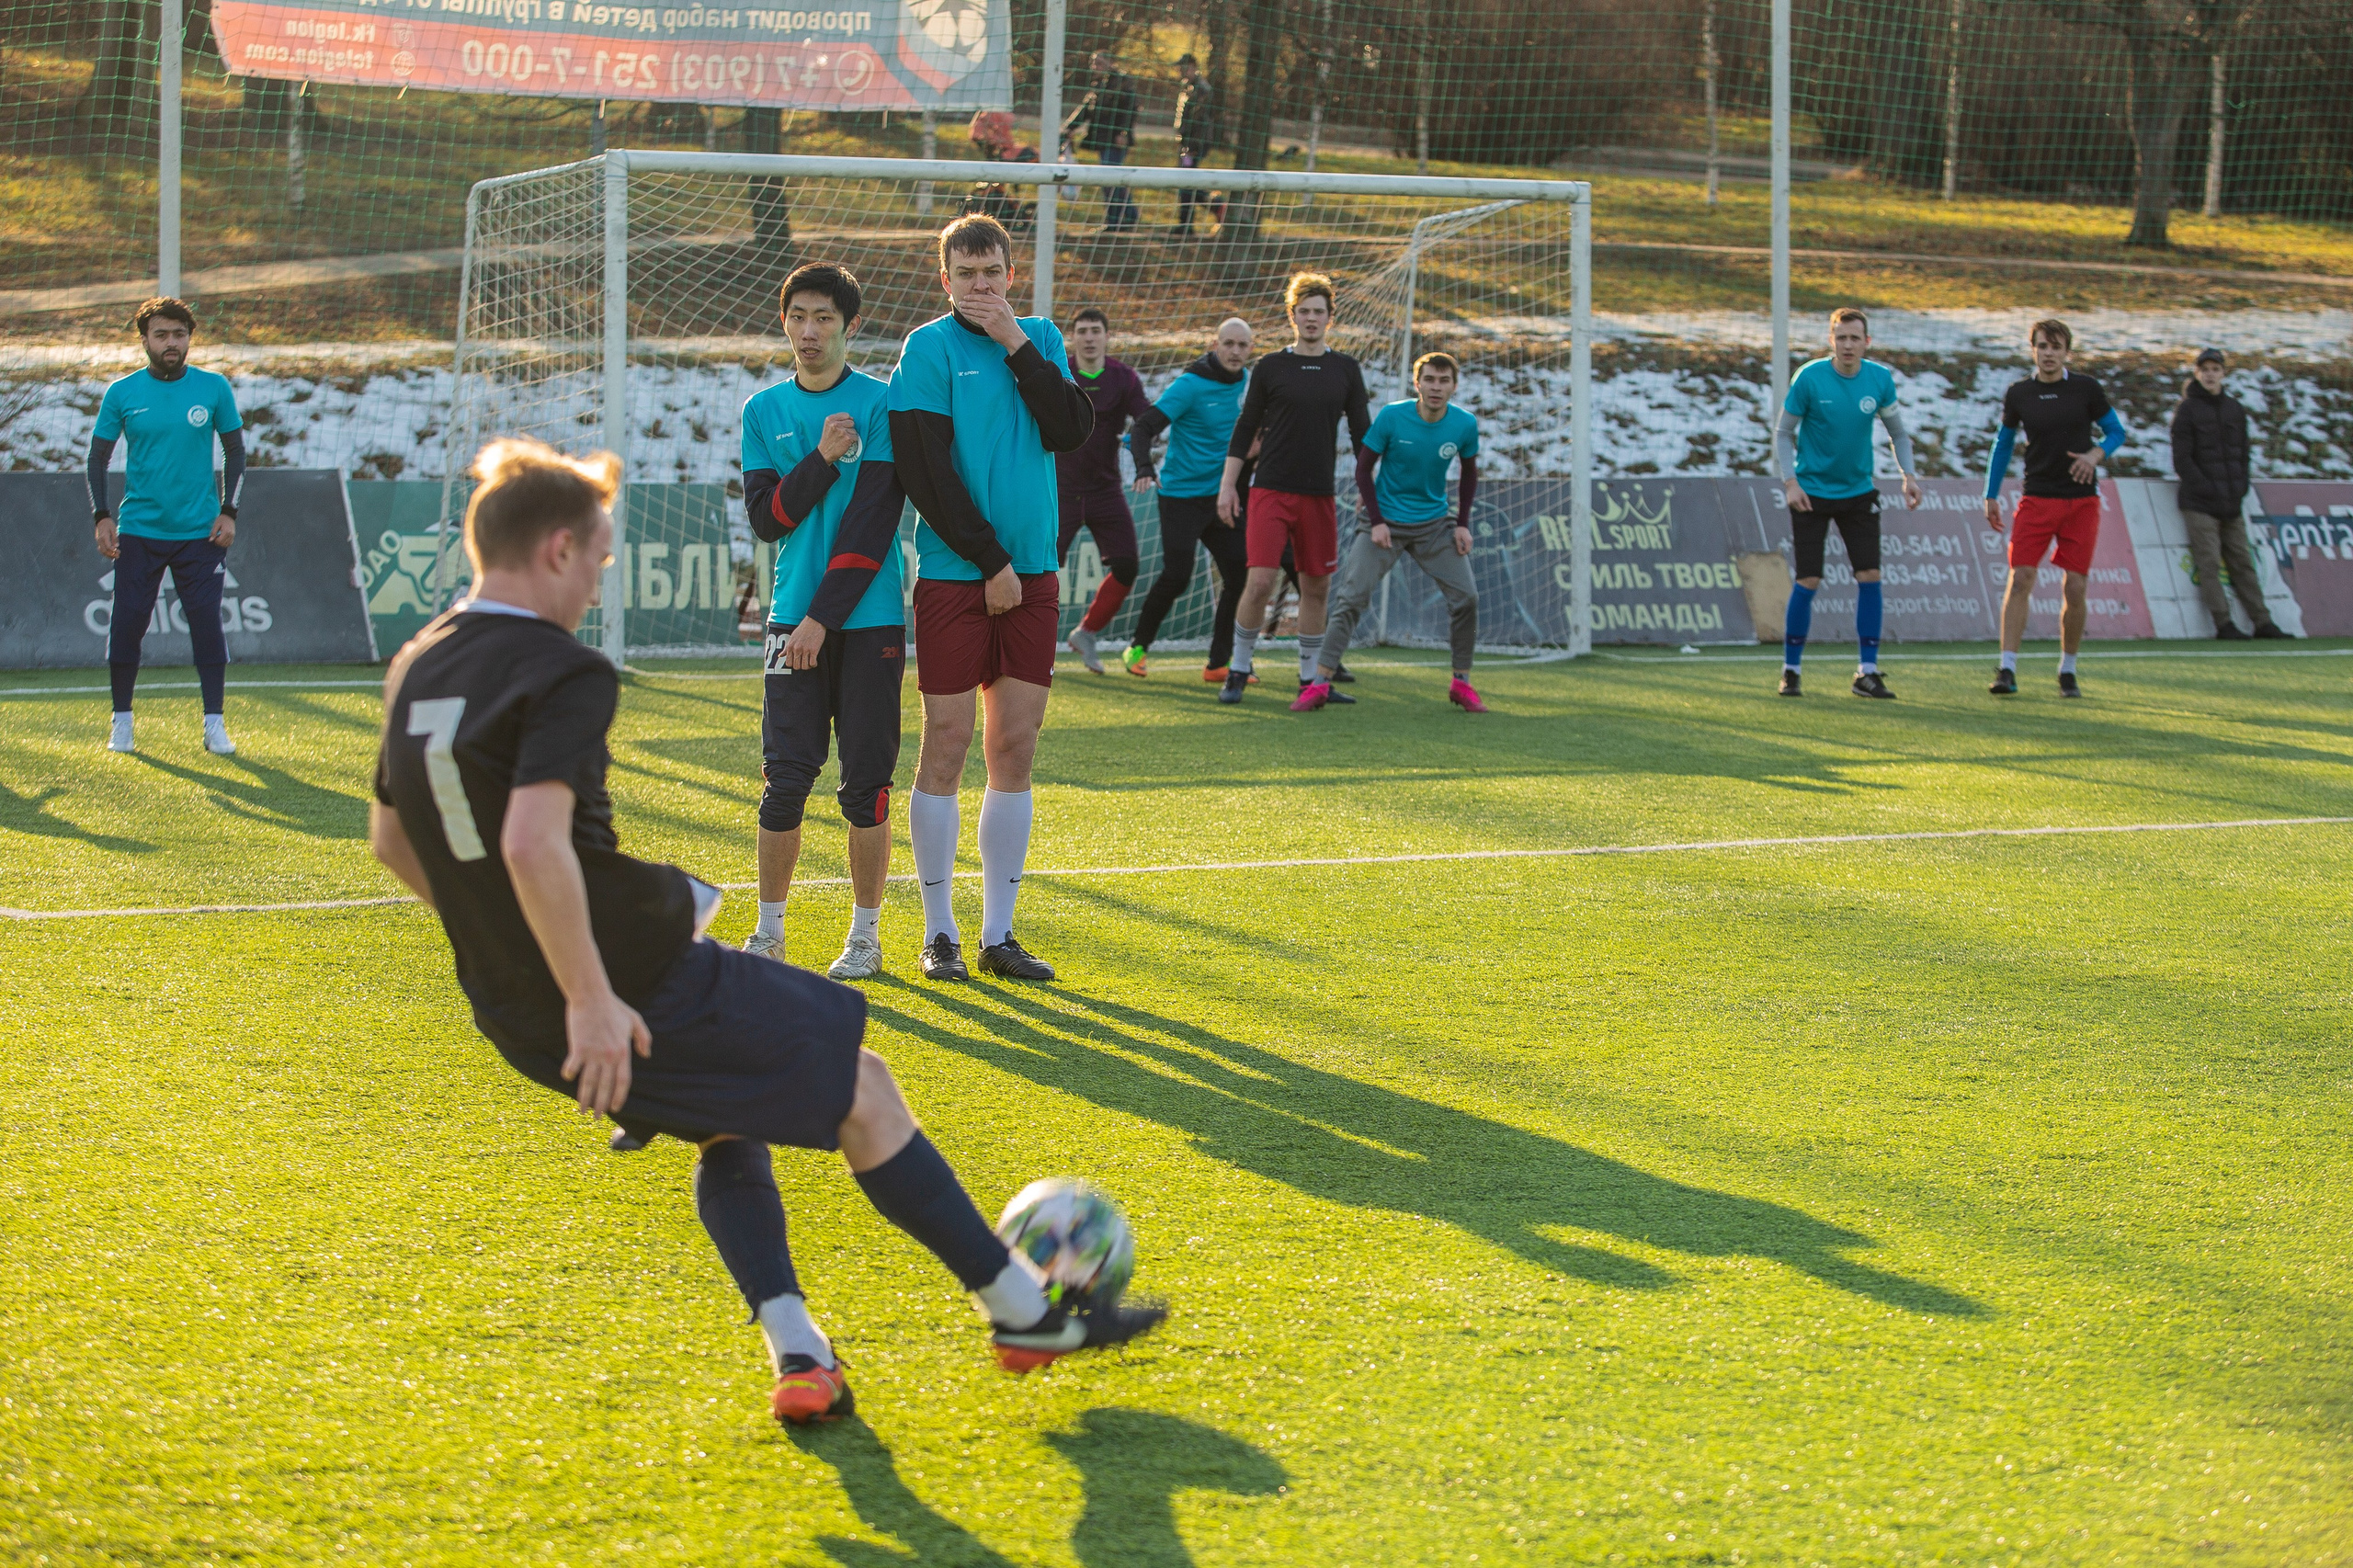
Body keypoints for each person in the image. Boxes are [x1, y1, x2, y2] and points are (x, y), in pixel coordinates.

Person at [368, 439, 1163, 1426]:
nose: (599, 581)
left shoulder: (420, 658)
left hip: (511, 1005)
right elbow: (533, 842)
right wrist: (592, 998)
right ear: (558, 548)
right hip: (623, 982)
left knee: (726, 1117)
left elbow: (394, 836)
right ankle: (1022, 1313)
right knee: (864, 1085)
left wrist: (522, 959)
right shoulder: (560, 667)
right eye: (602, 559)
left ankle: (800, 1352)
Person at [887, 214, 1094, 983]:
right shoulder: (927, 348)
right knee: (945, 742)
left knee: (1014, 747)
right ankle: (939, 933)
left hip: (1035, 577)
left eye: (992, 273)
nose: (980, 285)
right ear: (944, 280)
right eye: (965, 274)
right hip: (955, 576)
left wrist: (1015, 343)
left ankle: (998, 936)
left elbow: (1071, 429)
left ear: (1011, 274)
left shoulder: (1036, 336)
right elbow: (923, 469)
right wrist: (989, 560)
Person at [737, 263, 909, 981]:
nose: (810, 332)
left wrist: (821, 621)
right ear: (784, 322)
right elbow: (767, 520)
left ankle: (864, 939)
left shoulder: (881, 404)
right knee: (785, 778)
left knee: (866, 785)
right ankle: (768, 934)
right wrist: (821, 458)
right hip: (788, 624)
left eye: (825, 319)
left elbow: (872, 528)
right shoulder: (763, 412)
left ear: (849, 326)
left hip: (866, 625)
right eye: (798, 317)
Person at [86, 297, 246, 757]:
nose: (171, 343)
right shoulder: (122, 392)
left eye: (179, 334)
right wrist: (102, 516)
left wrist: (228, 510)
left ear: (189, 338)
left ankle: (214, 723)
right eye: (161, 335)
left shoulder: (213, 388)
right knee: (128, 624)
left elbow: (234, 452)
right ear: (145, 341)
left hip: (200, 534)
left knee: (207, 628)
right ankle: (122, 722)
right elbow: (98, 458)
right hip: (139, 531)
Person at [1216, 271, 1370, 706]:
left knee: (1317, 586)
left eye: (1319, 312)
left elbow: (1363, 435)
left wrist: (1368, 485)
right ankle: (1239, 669)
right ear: (1292, 315)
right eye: (1303, 311)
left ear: (1330, 317)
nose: (1311, 318)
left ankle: (1311, 680)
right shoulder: (1270, 367)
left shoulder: (1345, 369)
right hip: (1270, 490)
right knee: (1260, 581)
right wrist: (1228, 486)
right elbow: (1246, 427)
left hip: (1319, 494)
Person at [1304, 351, 1487, 712]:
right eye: (1429, 380)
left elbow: (1469, 475)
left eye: (1444, 381)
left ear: (1454, 385)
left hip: (1434, 525)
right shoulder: (1392, 416)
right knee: (1351, 597)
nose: (1436, 387)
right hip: (1383, 523)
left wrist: (1462, 523)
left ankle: (1461, 683)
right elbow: (1362, 471)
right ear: (1416, 383)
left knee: (1467, 598)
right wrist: (1376, 521)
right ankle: (1319, 683)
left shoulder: (1464, 425)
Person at [1771, 308, 1923, 700]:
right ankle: (1791, 670)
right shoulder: (1809, 377)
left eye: (1855, 338)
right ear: (1831, 341)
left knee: (1870, 576)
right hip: (1811, 494)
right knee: (1809, 579)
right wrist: (1791, 483)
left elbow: (1898, 434)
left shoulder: (1879, 379)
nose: (1848, 345)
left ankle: (1867, 673)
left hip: (1858, 493)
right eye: (1841, 338)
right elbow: (1784, 433)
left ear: (1867, 342)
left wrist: (1908, 474)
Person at [1983, 319, 2127, 698]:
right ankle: (2007, 668)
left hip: (2081, 502)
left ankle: (2068, 669)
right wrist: (1991, 493)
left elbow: (2117, 432)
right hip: (2037, 498)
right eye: (2042, 346)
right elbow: (2003, 444)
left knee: (2076, 586)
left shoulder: (2085, 389)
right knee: (2021, 578)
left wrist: (2095, 455)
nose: (2049, 353)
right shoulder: (2019, 393)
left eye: (2056, 347)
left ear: (2067, 352)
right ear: (2033, 348)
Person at [1125, 316, 1254, 682]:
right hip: (1180, 497)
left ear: (1250, 349)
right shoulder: (1190, 386)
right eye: (1228, 343)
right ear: (1215, 346)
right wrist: (1144, 467)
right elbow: (1143, 427)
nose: (1235, 351)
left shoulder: (1249, 385)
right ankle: (1137, 648)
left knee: (1239, 575)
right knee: (1178, 575)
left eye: (1242, 345)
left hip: (1221, 499)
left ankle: (1218, 663)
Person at [1057, 307, 1154, 674]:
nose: (1089, 337)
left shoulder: (1123, 378)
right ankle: (1027, 646)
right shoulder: (1059, 373)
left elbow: (1147, 421)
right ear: (1074, 337)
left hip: (1104, 490)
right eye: (1082, 331)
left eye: (1096, 330)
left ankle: (1087, 632)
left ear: (1106, 336)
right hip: (1060, 489)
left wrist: (1143, 458)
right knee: (1041, 569)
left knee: (1128, 565)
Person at [2170, 347, 2287, 641]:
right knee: (2209, 564)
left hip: (2232, 501)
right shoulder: (2186, 410)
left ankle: (2262, 622)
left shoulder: (2235, 408)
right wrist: (2208, 489)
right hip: (2200, 503)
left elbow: (2243, 454)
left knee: (2244, 563)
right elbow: (2182, 460)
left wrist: (2240, 488)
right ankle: (2224, 624)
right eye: (2205, 369)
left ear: (2224, 373)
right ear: (2197, 373)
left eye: (2215, 369)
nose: (2210, 375)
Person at [1062, 51, 1138, 232]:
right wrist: (1069, 127)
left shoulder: (1122, 82)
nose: (1096, 67)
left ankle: (1118, 220)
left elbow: (1131, 109)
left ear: (1111, 63)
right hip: (1104, 139)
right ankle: (1128, 216)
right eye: (1094, 63)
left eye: (1100, 63)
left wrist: (1123, 132)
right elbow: (1086, 109)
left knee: (1110, 180)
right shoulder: (1099, 84)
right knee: (1111, 179)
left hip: (1116, 140)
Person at [1172, 53, 1218, 235]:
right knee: (1185, 181)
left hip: (1195, 143)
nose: (1180, 71)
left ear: (1192, 67)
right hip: (1188, 142)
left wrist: (1191, 146)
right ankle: (1186, 223)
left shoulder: (1202, 89)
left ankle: (1216, 206)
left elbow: (1199, 120)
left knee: (1187, 182)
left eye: (1183, 68)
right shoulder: (1188, 87)